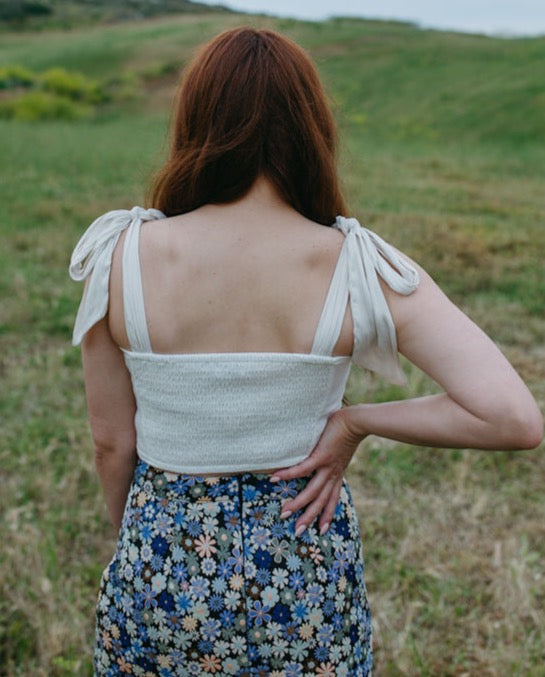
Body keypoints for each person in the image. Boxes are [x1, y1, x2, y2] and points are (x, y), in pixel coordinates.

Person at [69, 27, 543, 676]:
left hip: (161, 556)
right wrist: (356, 421)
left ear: (194, 120)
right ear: (311, 127)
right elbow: (510, 417)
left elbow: (110, 442)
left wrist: (137, 537)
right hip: (303, 569)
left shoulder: (117, 256)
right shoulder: (357, 263)